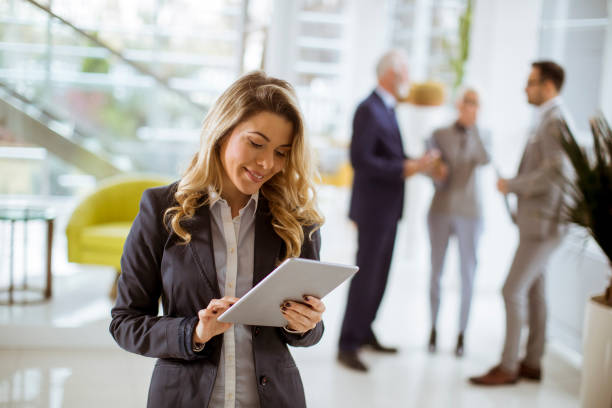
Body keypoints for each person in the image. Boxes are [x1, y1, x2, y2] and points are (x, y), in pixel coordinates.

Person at [110, 71, 326, 407]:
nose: (267, 163)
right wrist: (194, 332)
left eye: (282, 152)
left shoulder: (297, 220)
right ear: (222, 132)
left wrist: (305, 325)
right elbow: (126, 323)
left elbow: (309, 334)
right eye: (256, 143)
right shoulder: (161, 210)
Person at [337, 49, 438, 372]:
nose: (408, 79)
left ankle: (365, 330)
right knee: (366, 275)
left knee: (381, 275)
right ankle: (348, 343)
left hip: (390, 208)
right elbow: (362, 159)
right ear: (390, 75)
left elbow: (388, 153)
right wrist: (403, 167)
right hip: (373, 209)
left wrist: (414, 163)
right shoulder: (368, 109)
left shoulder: (388, 108)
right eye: (404, 72)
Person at [470, 61, 568, 385]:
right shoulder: (548, 120)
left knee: (511, 291)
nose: (526, 88)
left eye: (531, 82)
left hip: (542, 226)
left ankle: (508, 366)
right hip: (538, 223)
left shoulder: (554, 121)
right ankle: (532, 362)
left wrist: (513, 185)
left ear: (549, 86)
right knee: (535, 293)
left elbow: (555, 174)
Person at [425, 87, 490, 357]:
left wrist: (473, 129)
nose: (469, 107)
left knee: (467, 274)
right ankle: (432, 328)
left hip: (470, 212)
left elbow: (486, 159)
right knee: (436, 271)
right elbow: (431, 170)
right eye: (466, 102)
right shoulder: (438, 134)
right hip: (440, 209)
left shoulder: (484, 135)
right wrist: (436, 171)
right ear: (457, 103)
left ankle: (462, 333)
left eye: (475, 103)